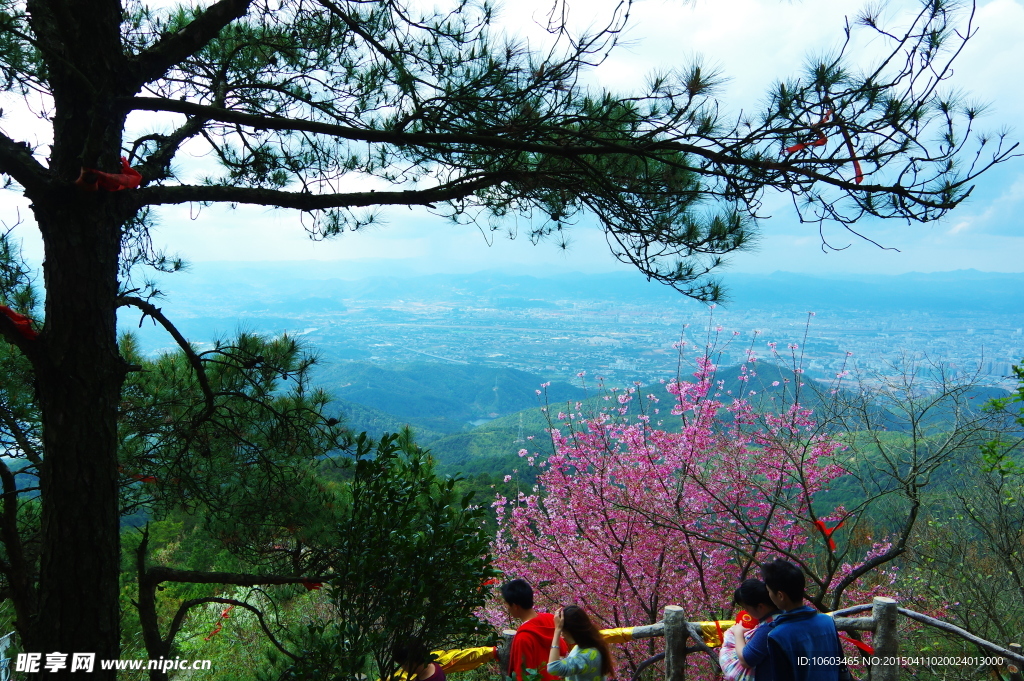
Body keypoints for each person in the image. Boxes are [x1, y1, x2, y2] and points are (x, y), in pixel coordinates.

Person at [759, 559, 843, 681]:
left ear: (780, 596)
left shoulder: (777, 636)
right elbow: (842, 668)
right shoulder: (827, 622)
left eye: (769, 592)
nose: (769, 595)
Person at [501, 579, 568, 681]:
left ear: (514, 606)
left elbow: (523, 674)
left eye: (506, 603)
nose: (506, 607)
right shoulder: (552, 620)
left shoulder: (523, 637)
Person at [723, 578, 781, 681]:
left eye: (747, 608)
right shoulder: (783, 616)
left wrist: (738, 633)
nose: (746, 612)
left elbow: (746, 660)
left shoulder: (768, 629)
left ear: (760, 607)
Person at [547, 606, 614, 681]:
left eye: (563, 631)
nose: (562, 636)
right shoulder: (589, 646)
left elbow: (553, 668)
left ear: (574, 631)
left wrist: (557, 631)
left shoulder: (587, 655)